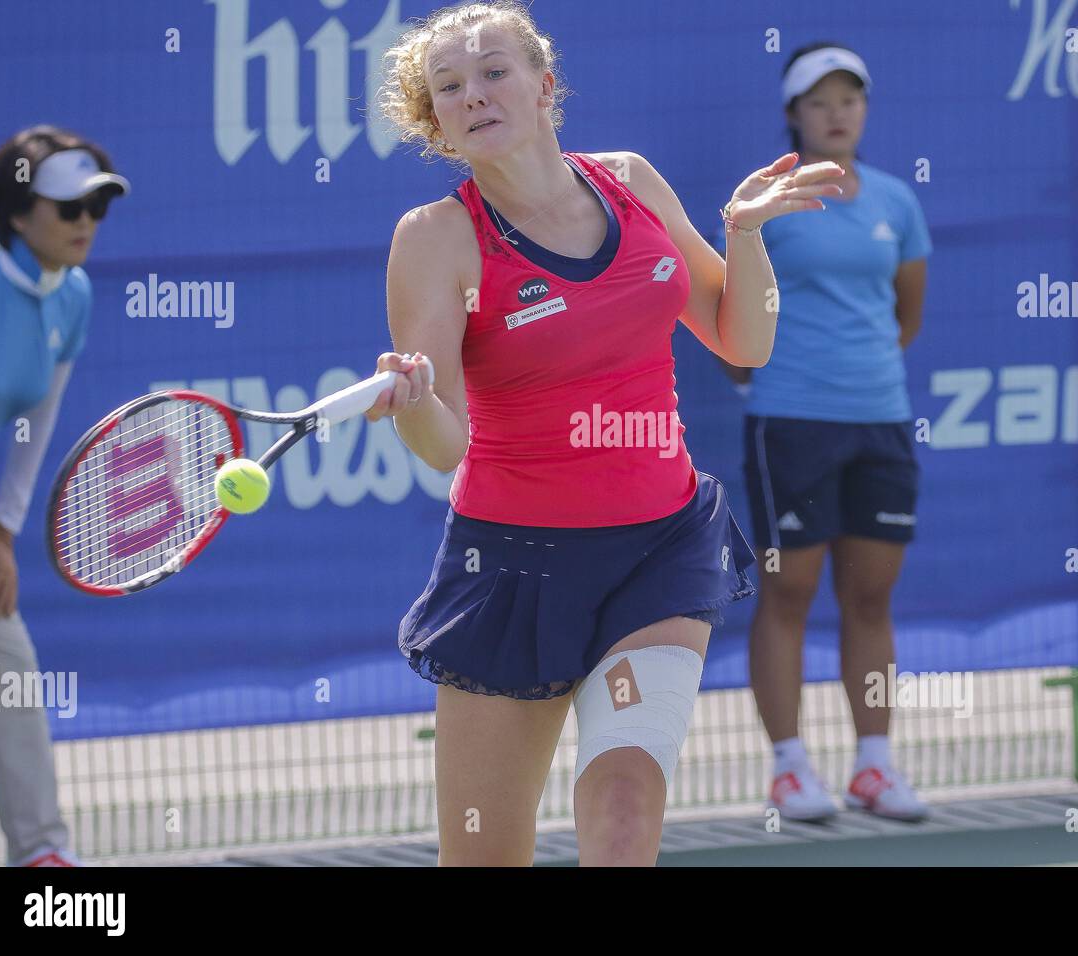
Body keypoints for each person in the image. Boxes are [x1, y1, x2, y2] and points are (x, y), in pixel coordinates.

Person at [366, 1, 844, 865]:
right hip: (510, 565)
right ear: (434, 121)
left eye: (493, 72)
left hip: (660, 548)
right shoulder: (435, 240)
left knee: (627, 805)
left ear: (546, 86)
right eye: (449, 87)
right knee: (483, 855)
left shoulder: (630, 180)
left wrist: (745, 237)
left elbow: (746, 339)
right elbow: (446, 446)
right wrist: (415, 402)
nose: (473, 94)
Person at [716, 44, 933, 822]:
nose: (838, 112)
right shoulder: (763, 204)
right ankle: (789, 768)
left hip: (880, 421)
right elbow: (732, 317)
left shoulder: (896, 203)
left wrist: (855, 373)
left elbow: (905, 316)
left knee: (871, 597)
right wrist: (788, 377)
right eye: (820, 101)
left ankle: (874, 768)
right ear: (793, 115)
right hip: (790, 425)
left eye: (851, 98)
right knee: (789, 590)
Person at [0, 125, 129, 865]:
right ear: (16, 214)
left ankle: (40, 857)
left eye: (97, 208)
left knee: (6, 667)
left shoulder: (72, 297)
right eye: (70, 209)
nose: (86, 225)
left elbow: (36, 424)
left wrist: (1, 530)